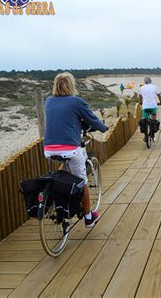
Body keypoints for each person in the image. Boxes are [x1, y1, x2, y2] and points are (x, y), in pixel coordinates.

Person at [43, 72, 108, 228]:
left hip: (49, 148)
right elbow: (92, 119)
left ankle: (59, 200)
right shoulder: (76, 102)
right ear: (71, 86)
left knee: (64, 171)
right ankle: (88, 217)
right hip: (70, 148)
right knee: (81, 181)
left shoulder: (49, 101)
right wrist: (103, 127)